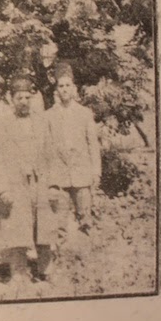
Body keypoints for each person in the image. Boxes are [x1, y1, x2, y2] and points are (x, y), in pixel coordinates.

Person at [1, 75, 56, 280]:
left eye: (27, 97)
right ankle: (19, 273)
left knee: (44, 227)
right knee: (18, 228)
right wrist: (3, 188)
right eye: (19, 98)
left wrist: (53, 185)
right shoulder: (4, 124)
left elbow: (50, 153)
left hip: (40, 181)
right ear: (11, 99)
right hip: (16, 183)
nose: (24, 102)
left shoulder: (41, 122)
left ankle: (46, 270)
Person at [43, 62, 102, 235]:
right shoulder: (49, 116)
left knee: (85, 217)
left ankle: (88, 244)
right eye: (61, 86)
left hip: (81, 173)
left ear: (74, 88)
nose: (65, 89)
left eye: (68, 85)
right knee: (59, 221)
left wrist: (96, 172)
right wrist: (49, 178)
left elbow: (93, 144)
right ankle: (62, 244)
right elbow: (46, 148)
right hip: (59, 175)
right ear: (57, 89)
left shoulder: (84, 113)